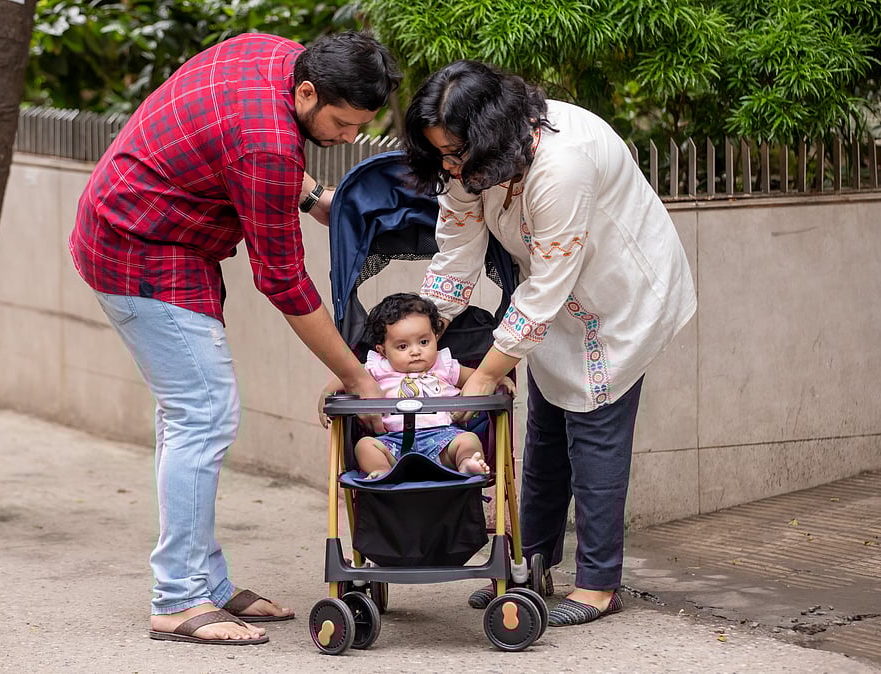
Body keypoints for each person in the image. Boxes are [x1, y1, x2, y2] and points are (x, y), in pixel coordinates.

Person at [69, 31, 399, 646]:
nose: (349, 138)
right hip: (139, 247)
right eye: (342, 122)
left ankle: (205, 585)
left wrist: (311, 196)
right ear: (305, 90)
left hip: (156, 229)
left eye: (361, 125)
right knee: (203, 414)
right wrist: (359, 376)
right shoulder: (271, 146)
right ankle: (179, 599)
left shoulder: (272, 52)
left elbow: (224, 145)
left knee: (191, 415)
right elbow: (282, 280)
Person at [404, 61, 697, 627]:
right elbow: (456, 258)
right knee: (543, 431)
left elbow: (544, 289)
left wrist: (486, 374)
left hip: (619, 298)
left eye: (457, 152)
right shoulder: (468, 165)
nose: (450, 165)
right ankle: (530, 564)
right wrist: (417, 334)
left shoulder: (561, 166)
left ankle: (597, 584)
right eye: (441, 153)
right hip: (556, 304)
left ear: (491, 134)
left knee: (594, 435)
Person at [318, 293, 513, 478]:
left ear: (435, 337)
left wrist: (497, 377)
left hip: (444, 438)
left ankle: (467, 464)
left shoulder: (443, 364)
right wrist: (328, 392)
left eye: (423, 341)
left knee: (469, 440)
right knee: (365, 446)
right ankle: (381, 471)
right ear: (382, 350)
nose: (416, 351)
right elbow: (349, 378)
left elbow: (478, 378)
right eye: (403, 346)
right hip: (393, 442)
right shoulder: (377, 367)